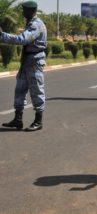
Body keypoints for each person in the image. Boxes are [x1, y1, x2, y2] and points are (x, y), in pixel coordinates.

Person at [0, 1, 47, 132]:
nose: (22, 13)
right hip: (26, 61)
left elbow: (23, 39)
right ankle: (18, 120)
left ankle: (38, 121)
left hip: (34, 61)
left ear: (31, 11)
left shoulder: (36, 25)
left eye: (24, 10)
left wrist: (2, 35)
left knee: (36, 91)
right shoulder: (30, 23)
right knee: (19, 90)